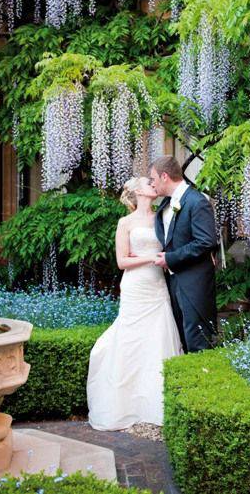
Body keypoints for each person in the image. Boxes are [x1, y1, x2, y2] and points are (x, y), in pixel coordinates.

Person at [86, 177, 183, 430]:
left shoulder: (163, 217)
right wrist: (150, 257)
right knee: (131, 339)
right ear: (137, 191)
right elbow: (121, 262)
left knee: (158, 338)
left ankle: (154, 403)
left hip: (157, 285)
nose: (153, 184)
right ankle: (125, 404)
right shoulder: (125, 222)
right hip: (136, 285)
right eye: (147, 183)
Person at [148, 155, 219, 353]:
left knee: (197, 341)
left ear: (164, 176)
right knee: (180, 339)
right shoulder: (165, 204)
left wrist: (170, 258)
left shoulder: (196, 202)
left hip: (194, 283)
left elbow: (206, 241)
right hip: (174, 280)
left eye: (153, 179)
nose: (152, 184)